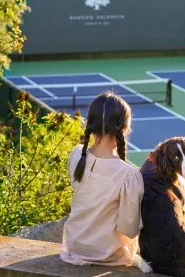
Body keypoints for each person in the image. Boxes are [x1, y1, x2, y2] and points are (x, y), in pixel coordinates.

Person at [60, 91, 144, 267]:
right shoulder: (129, 175)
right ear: (124, 128)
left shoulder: (76, 155)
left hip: (73, 248)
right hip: (108, 255)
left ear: (90, 123)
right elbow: (129, 229)